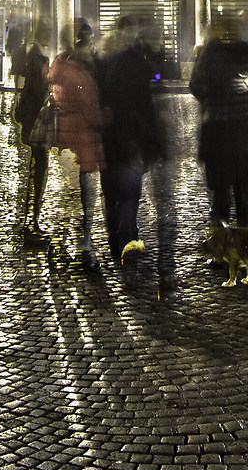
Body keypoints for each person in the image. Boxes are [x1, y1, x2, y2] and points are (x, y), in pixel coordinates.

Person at [96, 16, 175, 281]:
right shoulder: (134, 64)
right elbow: (145, 108)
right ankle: (127, 252)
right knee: (128, 197)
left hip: (108, 141)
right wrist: (154, 144)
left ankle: (116, 244)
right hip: (128, 141)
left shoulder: (102, 63)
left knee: (112, 196)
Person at [190, 15, 248, 227]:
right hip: (242, 132)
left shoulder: (210, 52)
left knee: (221, 192)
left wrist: (213, 98)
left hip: (218, 131)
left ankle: (222, 246)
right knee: (240, 189)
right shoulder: (247, 52)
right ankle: (243, 240)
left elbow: (196, 85)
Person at [48, 28, 108, 264]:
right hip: (81, 141)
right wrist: (108, 115)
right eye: (89, 42)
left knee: (68, 193)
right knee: (84, 197)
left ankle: (60, 241)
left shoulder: (60, 68)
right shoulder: (79, 75)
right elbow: (92, 113)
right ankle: (85, 245)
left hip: (65, 140)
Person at [9, 35, 53, 230]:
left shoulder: (28, 60)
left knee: (35, 163)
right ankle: (33, 211)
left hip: (30, 120)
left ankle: (30, 210)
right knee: (39, 162)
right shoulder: (39, 61)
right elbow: (39, 90)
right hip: (38, 120)